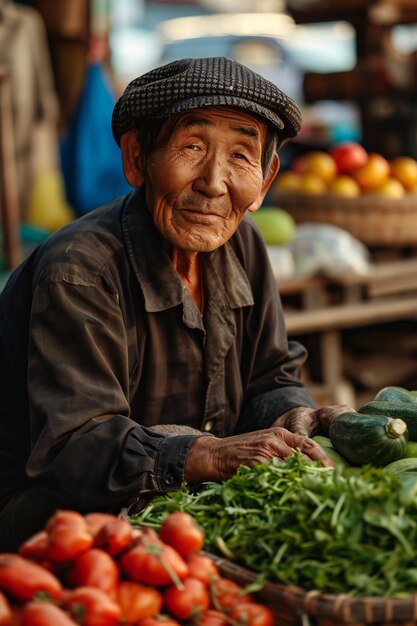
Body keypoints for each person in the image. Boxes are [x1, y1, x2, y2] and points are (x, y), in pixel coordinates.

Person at [0, 57, 350, 550]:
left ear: (266, 180)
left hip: (173, 509)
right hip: (49, 521)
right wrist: (205, 454)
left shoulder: (242, 244)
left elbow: (271, 376)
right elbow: (73, 449)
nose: (213, 182)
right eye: (192, 147)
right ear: (136, 157)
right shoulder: (80, 269)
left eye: (240, 157)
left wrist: (293, 418)